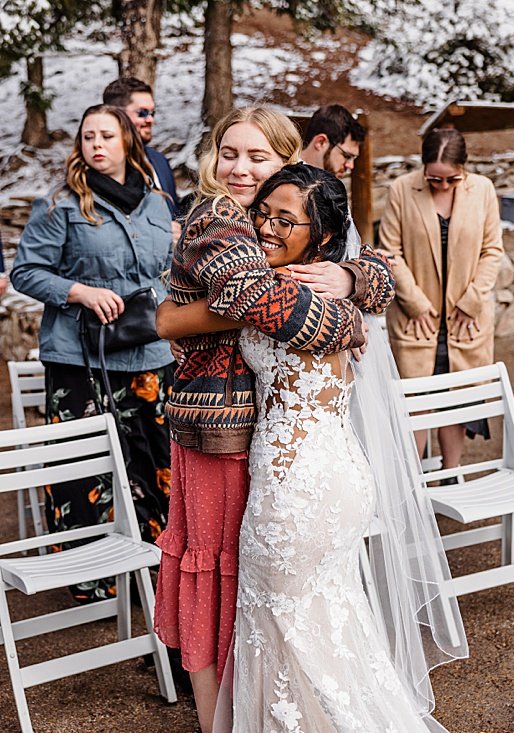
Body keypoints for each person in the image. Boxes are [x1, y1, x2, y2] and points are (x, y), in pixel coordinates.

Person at [160, 165, 464, 731]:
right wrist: (353, 302)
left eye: (286, 220)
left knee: (284, 626)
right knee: (325, 623)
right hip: (335, 474)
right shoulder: (299, 281)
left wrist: (350, 302)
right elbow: (172, 318)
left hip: (293, 487)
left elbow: (204, 312)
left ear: (321, 236)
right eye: (263, 215)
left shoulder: (288, 291)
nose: (268, 228)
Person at [152, 107, 393, 732]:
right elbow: (246, 298)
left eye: (257, 157)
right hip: (217, 431)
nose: (239, 168)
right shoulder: (216, 219)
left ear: (284, 162)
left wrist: (350, 273)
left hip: (280, 450)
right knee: (215, 579)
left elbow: (379, 274)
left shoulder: (282, 222)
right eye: (229, 153)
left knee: (281, 601)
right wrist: (344, 320)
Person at [12, 104, 174, 604]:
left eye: (107, 135)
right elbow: (26, 271)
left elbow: (165, 270)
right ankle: (91, 578)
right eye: (88, 137)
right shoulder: (60, 204)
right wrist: (78, 291)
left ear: (128, 141)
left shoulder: (155, 202)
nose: (96, 144)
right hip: (80, 357)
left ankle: (156, 568)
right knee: (84, 467)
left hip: (148, 353)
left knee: (154, 460)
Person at [377, 127, 507, 474]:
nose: (443, 186)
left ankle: (452, 474)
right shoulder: (401, 190)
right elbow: (390, 252)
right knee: (416, 401)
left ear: (464, 169)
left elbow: (492, 250)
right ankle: (412, 483)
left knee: (458, 395)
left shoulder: (484, 190)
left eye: (452, 179)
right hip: (417, 316)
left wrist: (472, 299)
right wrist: (415, 302)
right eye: (434, 179)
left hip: (466, 317)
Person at [296, 103, 366, 248]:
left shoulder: (333, 188)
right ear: (321, 142)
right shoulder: (286, 184)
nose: (350, 166)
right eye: (346, 156)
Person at [102, 76, 179, 198]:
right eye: (142, 113)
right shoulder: (103, 164)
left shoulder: (159, 160)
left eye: (152, 113)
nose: (150, 120)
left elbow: (174, 210)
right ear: (115, 115)